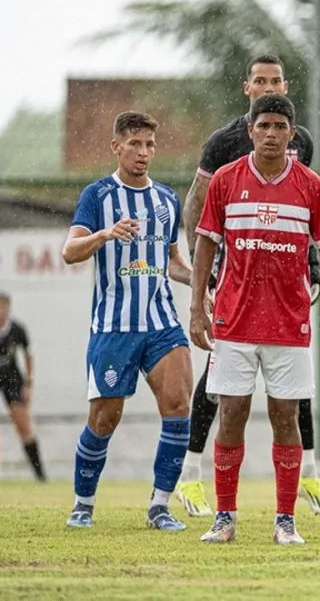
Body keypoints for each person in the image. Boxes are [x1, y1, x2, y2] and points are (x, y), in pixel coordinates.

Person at [176, 54, 320, 519]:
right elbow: (197, 207)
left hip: (285, 280)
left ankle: (308, 474)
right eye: (260, 80)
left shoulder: (300, 140)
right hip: (235, 278)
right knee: (221, 388)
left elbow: (303, 212)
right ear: (247, 88)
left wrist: (315, 268)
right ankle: (192, 475)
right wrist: (204, 278)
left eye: (276, 80)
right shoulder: (224, 143)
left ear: (286, 87)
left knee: (293, 388)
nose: (268, 86)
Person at [62, 111, 194, 531]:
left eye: (149, 144)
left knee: (179, 406)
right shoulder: (97, 196)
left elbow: (173, 262)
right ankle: (83, 504)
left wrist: (205, 282)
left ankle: (160, 507)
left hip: (161, 323)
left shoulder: (167, 199)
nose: (143, 152)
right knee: (104, 419)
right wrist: (104, 234)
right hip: (114, 326)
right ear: (116, 146)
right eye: (134, 143)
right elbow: (69, 252)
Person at [0, 292, 44, 481]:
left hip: (11, 379)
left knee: (23, 425)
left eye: (3, 307)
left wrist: (28, 383)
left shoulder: (17, 329)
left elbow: (28, 355)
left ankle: (40, 475)